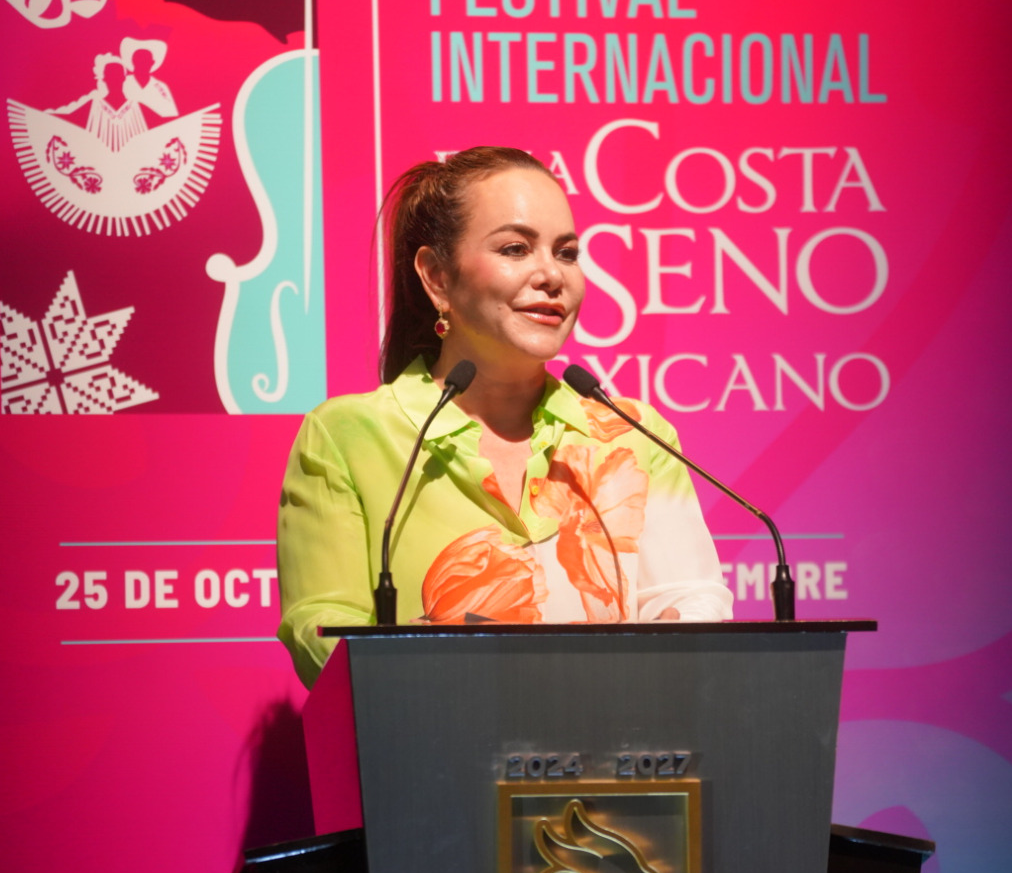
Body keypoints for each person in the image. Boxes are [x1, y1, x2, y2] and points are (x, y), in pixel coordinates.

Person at [276, 147, 733, 686]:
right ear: (437, 277)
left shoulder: (634, 434)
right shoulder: (349, 436)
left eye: (567, 253)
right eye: (515, 248)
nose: (552, 274)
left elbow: (691, 597)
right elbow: (320, 626)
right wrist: (433, 673)